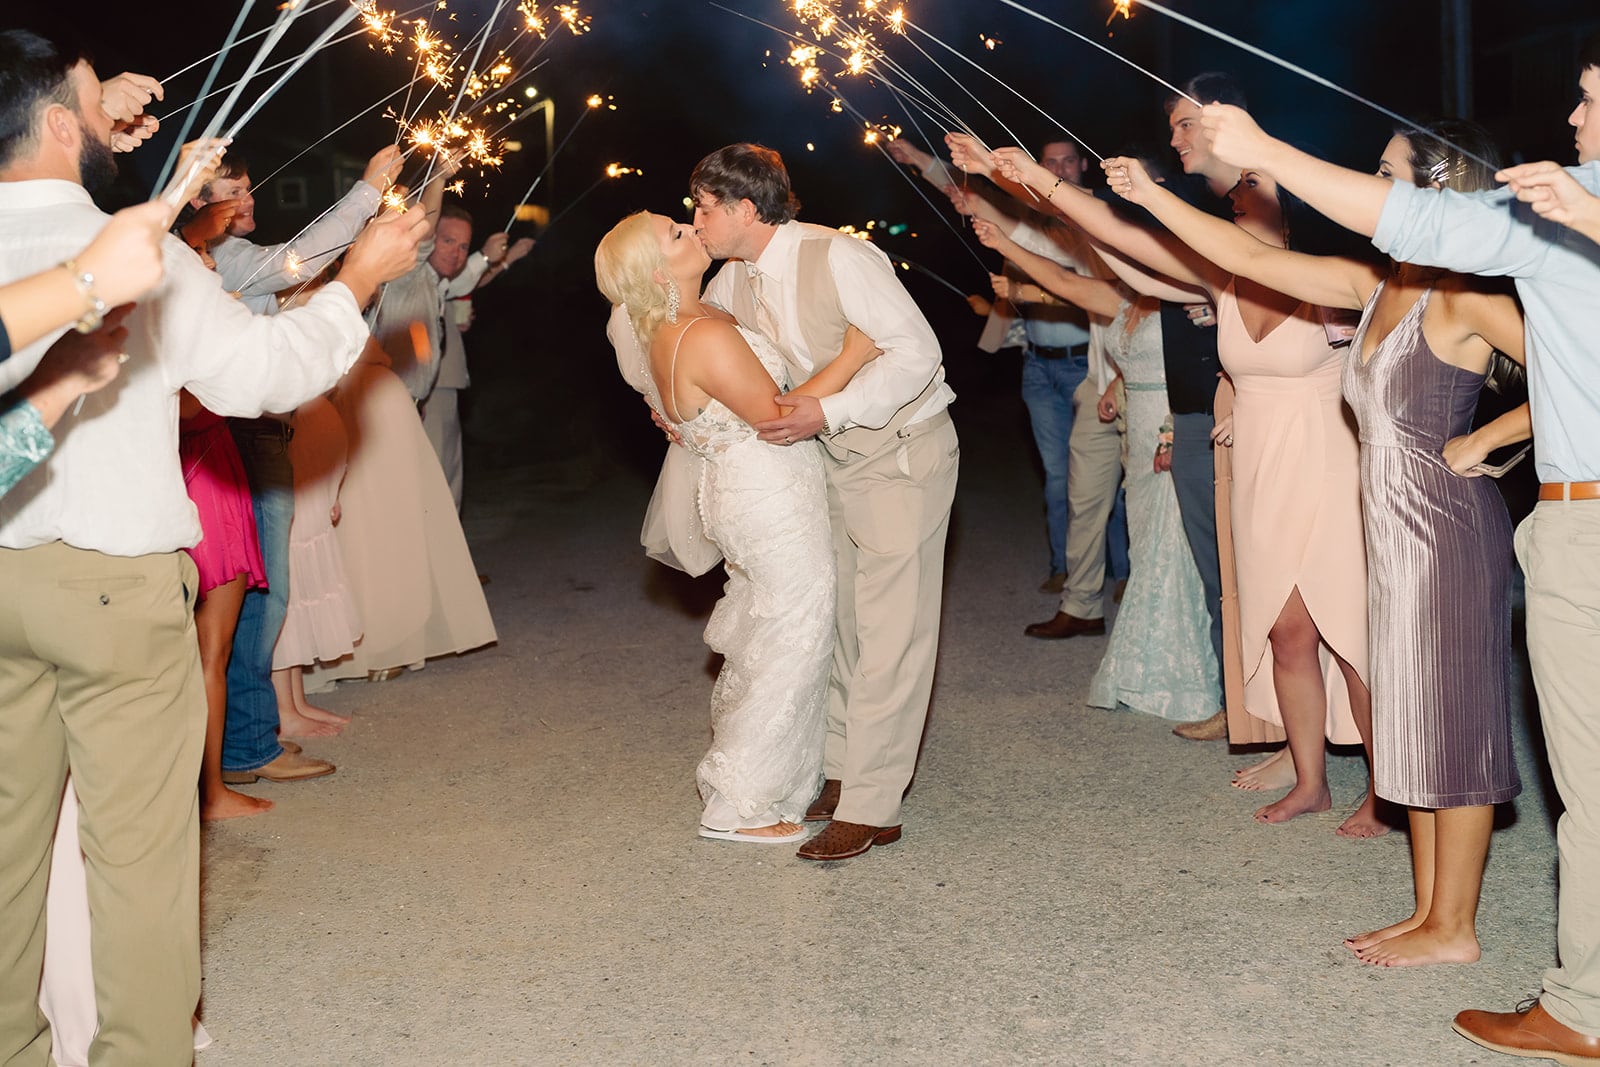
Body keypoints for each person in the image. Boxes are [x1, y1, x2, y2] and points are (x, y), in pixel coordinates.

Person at [0, 28, 427, 1064]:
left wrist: (105, 111)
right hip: (111, 584)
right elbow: (265, 376)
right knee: (140, 853)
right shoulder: (132, 256)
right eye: (100, 104)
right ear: (64, 126)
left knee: (7, 850)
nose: (123, 117)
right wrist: (358, 281)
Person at [1196, 31, 1600, 1059]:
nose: (1573, 118)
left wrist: (1489, 435)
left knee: (1513, 747)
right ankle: (1472, 935)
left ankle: (1531, 972)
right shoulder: (1491, 248)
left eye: (1593, 100)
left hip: (1505, 520)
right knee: (1473, 742)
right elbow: (1270, 250)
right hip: (1490, 518)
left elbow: (1521, 343)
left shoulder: (1522, 250)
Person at [1105, 117, 1528, 968]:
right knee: (1410, 722)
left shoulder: (1467, 293)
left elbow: (1580, 373)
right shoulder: (1373, 282)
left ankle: (1456, 927)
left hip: (1446, 529)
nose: (1367, 185)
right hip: (1387, 527)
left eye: (1384, 171)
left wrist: (1489, 439)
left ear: (1437, 192)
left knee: (1457, 726)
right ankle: (1427, 910)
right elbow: (1253, 260)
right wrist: (1152, 195)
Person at [955, 134, 1385, 838]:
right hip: (1261, 464)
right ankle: (1311, 780)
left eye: (1256, 185)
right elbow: (1131, 247)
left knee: (1346, 631)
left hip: (1330, 456)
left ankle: (1382, 787)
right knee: (1285, 630)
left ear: (1294, 203)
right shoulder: (1222, 278)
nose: (1240, 193)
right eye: (1239, 187)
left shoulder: (1337, 277)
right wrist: (1034, 182)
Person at [691, 143, 960, 861]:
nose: (698, 221)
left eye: (706, 207)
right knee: (844, 621)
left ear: (747, 209)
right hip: (825, 463)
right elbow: (696, 345)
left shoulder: (840, 257)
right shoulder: (730, 281)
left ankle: (874, 803)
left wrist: (831, 412)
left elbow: (917, 352)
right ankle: (841, 772)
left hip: (900, 449)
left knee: (890, 630)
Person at [598, 211, 882, 841]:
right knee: (792, 637)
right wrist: (856, 353)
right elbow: (778, 415)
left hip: (757, 488)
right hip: (767, 493)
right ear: (655, 271)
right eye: (676, 234)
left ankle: (773, 783)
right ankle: (737, 805)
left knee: (776, 633)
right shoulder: (697, 333)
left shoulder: (696, 319)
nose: (690, 229)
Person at [890, 136, 1126, 611]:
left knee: (1108, 477)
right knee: (1060, 476)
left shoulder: (1098, 223)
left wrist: (1022, 285)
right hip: (1039, 364)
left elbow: (1077, 283)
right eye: (1049, 163)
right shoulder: (1032, 221)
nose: (1060, 168)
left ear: (1082, 166)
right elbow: (976, 200)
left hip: (1093, 365)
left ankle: (1121, 571)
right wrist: (918, 159)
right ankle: (1066, 568)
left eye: (1066, 162)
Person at [425, 216, 533, 511]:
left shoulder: (442, 277)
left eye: (463, 246)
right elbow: (457, 283)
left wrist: (503, 260)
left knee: (449, 472)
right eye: (448, 241)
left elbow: (461, 284)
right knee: (434, 474)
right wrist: (494, 257)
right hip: (427, 383)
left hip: (447, 380)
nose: (457, 252)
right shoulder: (417, 272)